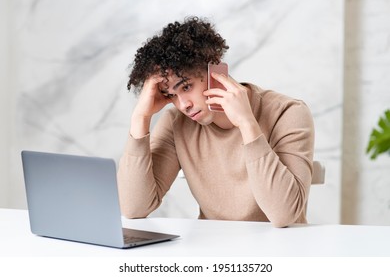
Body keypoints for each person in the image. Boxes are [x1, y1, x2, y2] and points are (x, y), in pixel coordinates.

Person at [117, 17, 315, 228]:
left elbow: (284, 215)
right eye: (170, 95)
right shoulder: (176, 123)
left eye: (185, 87)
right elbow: (133, 207)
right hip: (211, 247)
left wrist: (247, 124)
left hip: (280, 249)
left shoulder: (288, 112)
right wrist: (140, 118)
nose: (183, 105)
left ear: (215, 69)